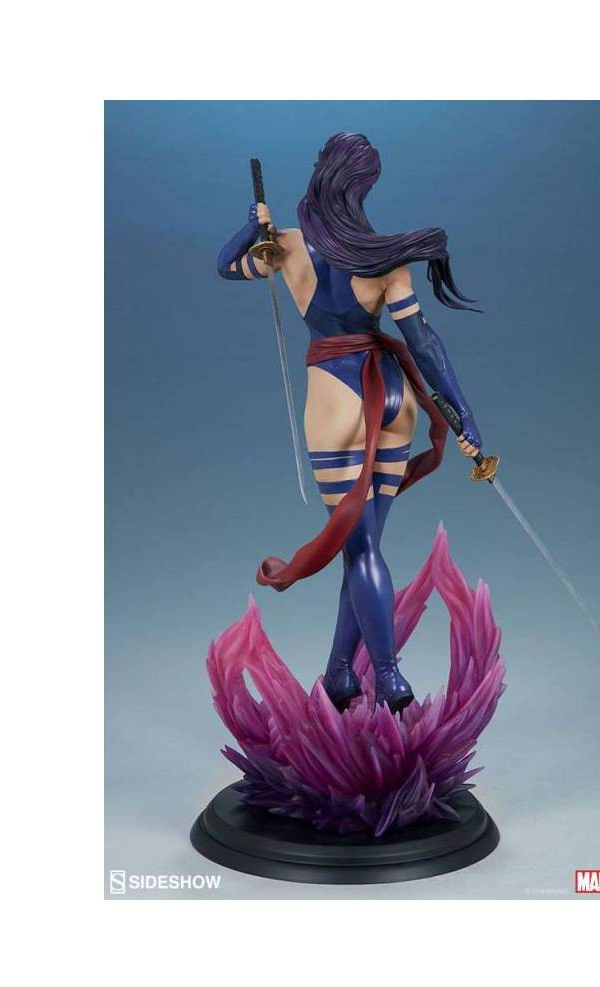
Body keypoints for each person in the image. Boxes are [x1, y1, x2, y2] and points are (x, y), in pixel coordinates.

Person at [217, 133, 483, 714]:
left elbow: (227, 266)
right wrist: (463, 413)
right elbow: (424, 343)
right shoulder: (383, 259)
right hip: (394, 395)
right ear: (363, 187)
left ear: (322, 174)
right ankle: (340, 673)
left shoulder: (286, 246)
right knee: (363, 548)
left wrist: (251, 227)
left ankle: (389, 679)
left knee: (361, 552)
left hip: (338, 399)